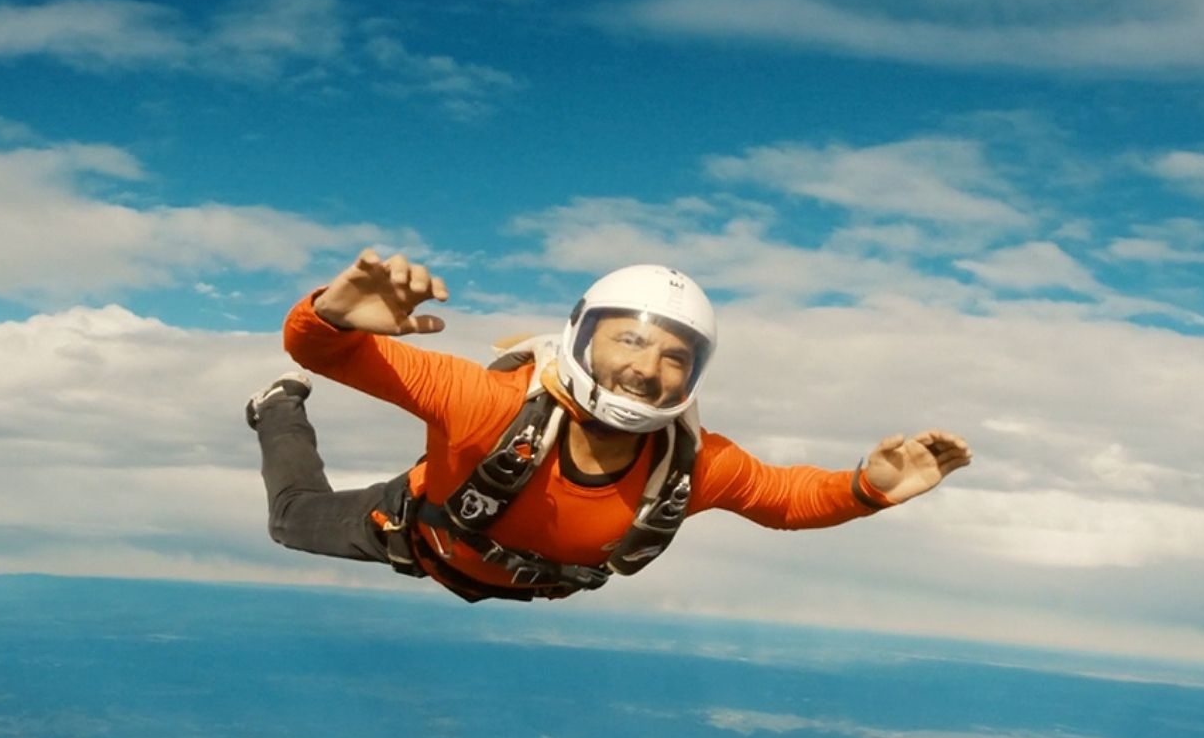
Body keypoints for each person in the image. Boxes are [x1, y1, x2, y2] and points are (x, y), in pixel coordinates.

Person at [247, 249, 971, 602]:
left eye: (675, 356)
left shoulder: (691, 464)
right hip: (408, 534)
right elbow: (328, 354)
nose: (648, 368)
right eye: (628, 339)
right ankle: (277, 406)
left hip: (510, 575)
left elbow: (785, 501)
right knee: (291, 520)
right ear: (579, 336)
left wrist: (868, 488)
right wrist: (333, 317)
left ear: (695, 376)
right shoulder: (485, 404)